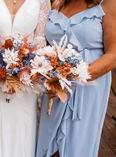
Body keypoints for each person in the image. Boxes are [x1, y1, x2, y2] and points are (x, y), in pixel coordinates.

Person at [36, 0, 116, 156]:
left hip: (88, 89)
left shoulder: (107, 3)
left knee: (77, 146)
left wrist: (74, 76)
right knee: (49, 145)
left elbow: (113, 55)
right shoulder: (58, 3)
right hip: (55, 87)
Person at [0, 0, 50, 156]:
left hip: (26, 79)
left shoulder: (42, 2)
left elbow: (40, 39)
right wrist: (2, 70)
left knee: (22, 131)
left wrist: (22, 70)